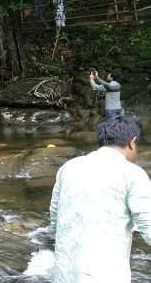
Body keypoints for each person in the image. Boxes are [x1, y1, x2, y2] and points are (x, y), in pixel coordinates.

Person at [50, 116, 151, 283]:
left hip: (64, 274)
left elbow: (55, 216)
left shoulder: (69, 168)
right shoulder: (132, 174)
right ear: (132, 142)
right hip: (105, 274)